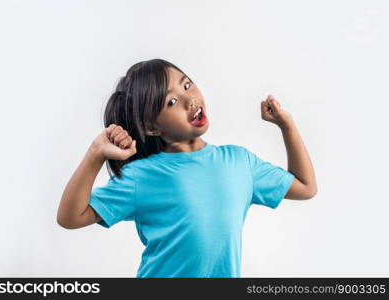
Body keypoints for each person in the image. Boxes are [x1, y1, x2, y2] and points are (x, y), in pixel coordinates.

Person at [56, 58, 317, 278]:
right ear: (152, 128)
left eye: (187, 84)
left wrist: (287, 126)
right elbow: (70, 217)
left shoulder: (239, 162)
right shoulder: (142, 176)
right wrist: (95, 154)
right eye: (171, 102)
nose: (189, 99)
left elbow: (306, 187)